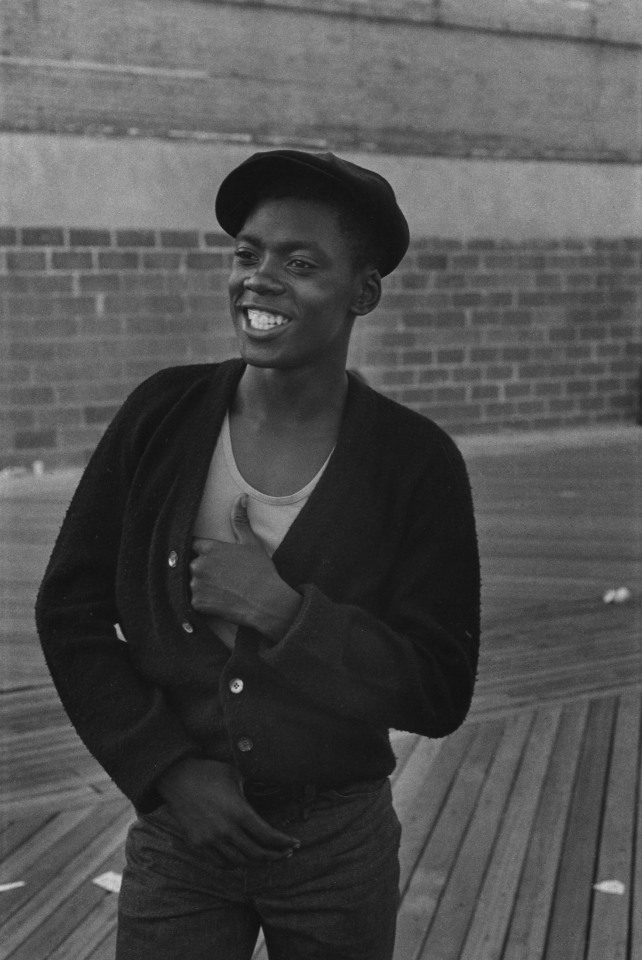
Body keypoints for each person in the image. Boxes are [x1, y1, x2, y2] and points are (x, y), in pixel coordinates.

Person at [36, 150, 480, 960]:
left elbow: (439, 686)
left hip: (335, 844)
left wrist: (282, 612)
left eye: (302, 263)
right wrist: (166, 769)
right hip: (182, 840)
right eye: (248, 254)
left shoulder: (415, 463)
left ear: (364, 292)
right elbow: (69, 613)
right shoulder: (160, 417)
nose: (260, 278)